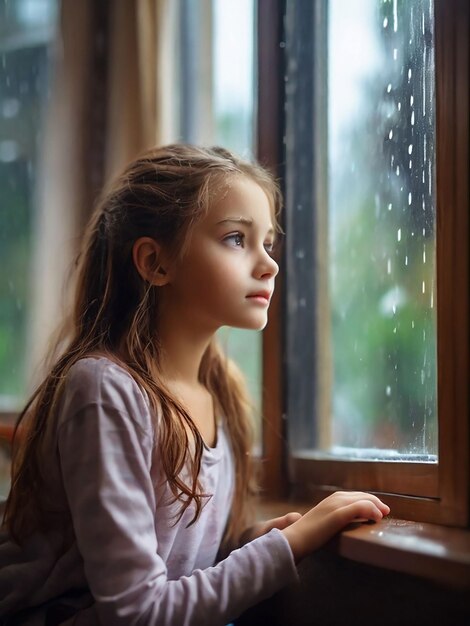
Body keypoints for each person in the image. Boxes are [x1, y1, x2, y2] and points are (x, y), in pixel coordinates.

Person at [0, 144, 390, 625]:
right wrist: (289, 545)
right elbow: (137, 612)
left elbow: (174, 561)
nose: (268, 264)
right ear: (155, 263)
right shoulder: (105, 392)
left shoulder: (217, 394)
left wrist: (246, 543)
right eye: (235, 239)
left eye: (268, 242)